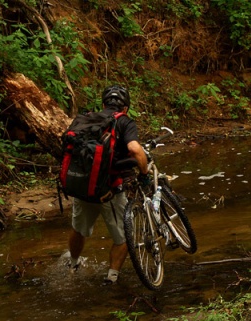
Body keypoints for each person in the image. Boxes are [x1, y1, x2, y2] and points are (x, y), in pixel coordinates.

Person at [67, 84, 149, 284]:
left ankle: (73, 264)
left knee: (79, 230)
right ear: (126, 108)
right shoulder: (124, 122)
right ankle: (111, 279)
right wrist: (144, 173)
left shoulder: (86, 120)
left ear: (103, 103)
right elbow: (135, 149)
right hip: (109, 191)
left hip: (83, 187)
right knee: (123, 238)